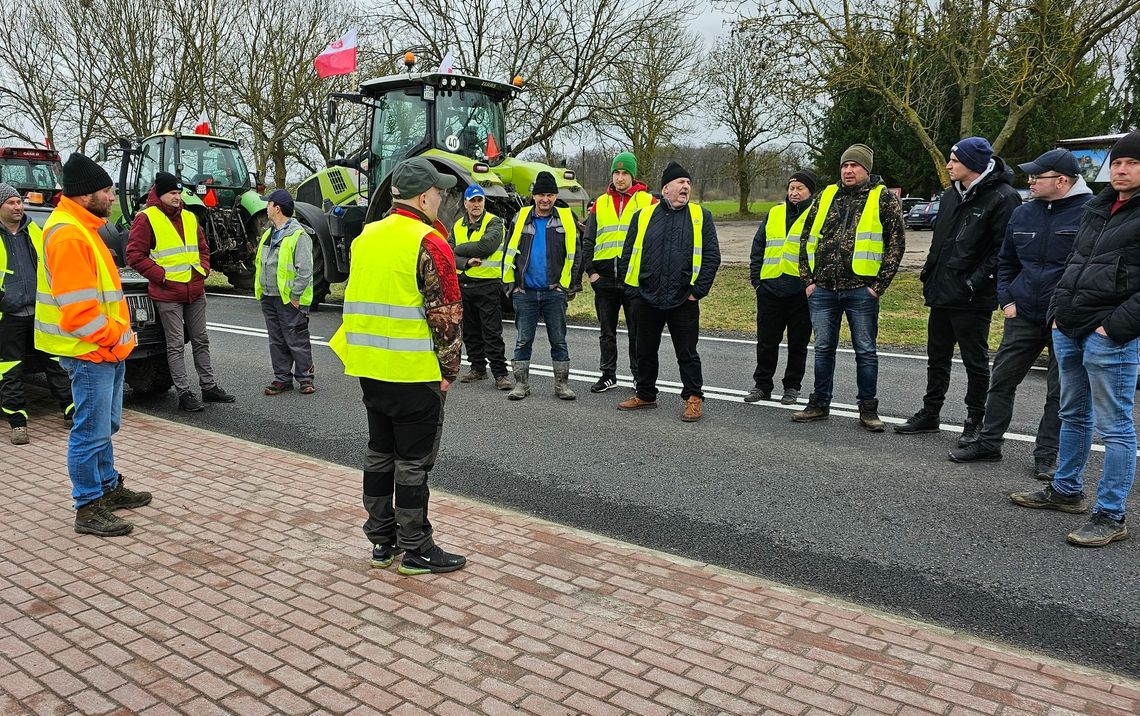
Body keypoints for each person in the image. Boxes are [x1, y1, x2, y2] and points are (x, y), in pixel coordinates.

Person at [330, 157, 467, 574]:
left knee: (379, 454)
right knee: (412, 463)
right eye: (439, 192)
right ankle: (416, 547)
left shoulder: (366, 236)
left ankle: (381, 542)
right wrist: (449, 371)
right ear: (424, 197)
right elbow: (446, 315)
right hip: (414, 371)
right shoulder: (429, 242)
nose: (442, 198)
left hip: (370, 368)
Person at [1011, 130, 1140, 547]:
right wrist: (1056, 314)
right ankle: (1066, 491)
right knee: (1073, 414)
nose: (1121, 169)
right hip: (1068, 326)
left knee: (1115, 426)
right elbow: (1076, 263)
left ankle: (1110, 514)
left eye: (1132, 163)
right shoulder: (1099, 206)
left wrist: (1113, 328)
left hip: (1110, 334)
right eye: (1117, 163)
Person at [949, 149, 1091, 475]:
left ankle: (1046, 457)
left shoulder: (1089, 214)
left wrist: (1070, 310)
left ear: (1062, 180)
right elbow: (1007, 260)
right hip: (1023, 313)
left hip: (1065, 320)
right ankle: (988, 443)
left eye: (1036, 177)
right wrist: (1007, 299)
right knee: (1001, 381)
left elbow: (1088, 269)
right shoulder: (1024, 213)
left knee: (1060, 392)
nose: (1030, 182)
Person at [35, 154, 150, 536]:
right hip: (91, 352)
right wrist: (112, 341)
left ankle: (107, 487)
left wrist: (116, 344)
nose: (113, 196)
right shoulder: (69, 233)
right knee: (91, 432)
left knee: (104, 425)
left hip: (104, 351)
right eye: (106, 190)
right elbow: (79, 312)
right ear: (86, 196)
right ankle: (88, 507)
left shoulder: (84, 227)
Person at [896, 137, 1021, 443]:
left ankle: (975, 419)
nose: (948, 165)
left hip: (972, 297)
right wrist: (929, 272)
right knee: (936, 357)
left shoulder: (1003, 198)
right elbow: (941, 241)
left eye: (954, 160)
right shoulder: (950, 195)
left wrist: (973, 282)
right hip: (941, 290)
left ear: (974, 164)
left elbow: (1002, 250)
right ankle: (930, 412)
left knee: (974, 362)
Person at [792, 144, 906, 431]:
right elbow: (806, 237)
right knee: (823, 349)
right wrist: (808, 281)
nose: (848, 170)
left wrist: (878, 286)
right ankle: (819, 403)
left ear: (866, 169)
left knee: (865, 351)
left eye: (854, 166)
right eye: (845, 166)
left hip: (861, 290)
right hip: (823, 290)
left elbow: (896, 243)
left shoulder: (883, 198)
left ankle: (868, 409)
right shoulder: (827, 195)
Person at [616, 161, 721, 422]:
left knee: (687, 352)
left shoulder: (700, 216)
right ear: (665, 189)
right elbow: (628, 253)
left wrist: (698, 291)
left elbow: (711, 256)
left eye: (688, 183)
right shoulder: (643, 215)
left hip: (683, 298)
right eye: (680, 182)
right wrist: (632, 291)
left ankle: (694, 397)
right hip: (647, 296)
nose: (686, 186)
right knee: (644, 349)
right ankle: (646, 393)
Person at [126, 172, 235, 411]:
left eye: (179, 192)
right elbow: (134, 255)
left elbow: (203, 247)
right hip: (167, 293)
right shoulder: (146, 218)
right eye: (172, 193)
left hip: (194, 289)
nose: (177, 197)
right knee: (174, 344)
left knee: (201, 340)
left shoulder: (188, 216)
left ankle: (209, 387)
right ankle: (185, 393)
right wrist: (161, 276)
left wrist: (203, 270)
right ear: (160, 194)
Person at [0, 183, 73, 444]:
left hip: (41, 309)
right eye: (11, 203)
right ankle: (18, 423)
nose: (18, 206)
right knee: (10, 370)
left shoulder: (34, 229)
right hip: (8, 316)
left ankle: (69, 409)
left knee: (55, 361)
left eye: (19, 202)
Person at [502, 171, 582, 401]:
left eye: (549, 194)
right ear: (533, 196)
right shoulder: (521, 217)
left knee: (558, 340)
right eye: (540, 195)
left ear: (555, 196)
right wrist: (511, 287)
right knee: (522, 340)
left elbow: (576, 256)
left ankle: (561, 386)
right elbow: (508, 251)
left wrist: (565, 288)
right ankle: (521, 385)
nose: (545, 199)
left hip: (553, 292)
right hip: (525, 292)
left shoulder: (566, 219)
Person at [581, 152, 655, 393]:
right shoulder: (600, 203)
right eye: (616, 173)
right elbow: (588, 240)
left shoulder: (648, 202)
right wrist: (592, 273)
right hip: (604, 280)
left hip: (633, 280)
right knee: (606, 332)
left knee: (637, 332)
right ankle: (608, 374)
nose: (620, 178)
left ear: (632, 176)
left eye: (625, 173)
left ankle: (637, 376)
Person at [745, 170, 817, 405]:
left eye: (800, 189)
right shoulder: (774, 212)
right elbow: (759, 246)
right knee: (766, 342)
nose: (794, 193)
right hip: (770, 289)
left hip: (801, 291)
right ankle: (762, 385)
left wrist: (813, 284)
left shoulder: (817, 215)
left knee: (798, 343)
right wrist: (757, 280)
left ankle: (792, 387)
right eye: (791, 188)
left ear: (810, 192)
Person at [449, 184, 511, 391]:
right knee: (471, 332)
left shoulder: (495, 222)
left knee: (492, 332)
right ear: (465, 203)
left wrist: (458, 250)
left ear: (484, 202)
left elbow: (485, 247)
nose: (476, 205)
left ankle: (500, 373)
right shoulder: (457, 225)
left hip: (487, 285)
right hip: (464, 284)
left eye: (479, 200)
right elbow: (448, 254)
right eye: (472, 201)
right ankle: (477, 367)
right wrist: (465, 262)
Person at [255, 189, 315, 395]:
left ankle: (305, 378)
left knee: (296, 338)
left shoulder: (299, 235)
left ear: (277, 208)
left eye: (268, 204)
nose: (266, 207)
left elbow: (305, 269)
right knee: (277, 339)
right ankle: (282, 378)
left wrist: (296, 296)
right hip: (269, 296)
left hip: (289, 299)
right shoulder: (267, 235)